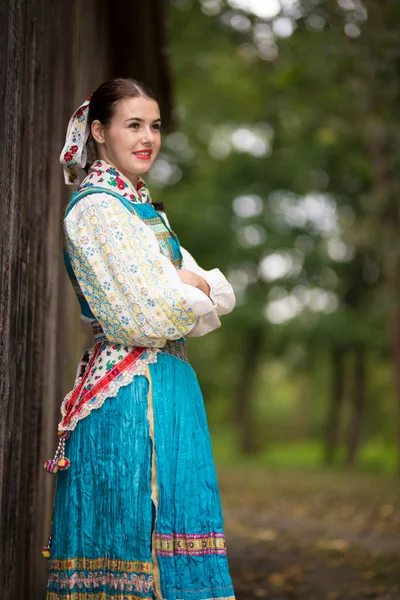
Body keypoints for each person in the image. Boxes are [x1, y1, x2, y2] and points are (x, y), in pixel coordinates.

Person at [43, 78, 236, 600]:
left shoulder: (145, 211)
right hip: (128, 397)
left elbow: (218, 295)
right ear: (99, 132)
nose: (148, 137)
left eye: (154, 125)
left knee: (178, 537)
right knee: (130, 545)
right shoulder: (98, 209)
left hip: (169, 385)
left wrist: (187, 288)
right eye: (133, 125)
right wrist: (186, 288)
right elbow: (147, 315)